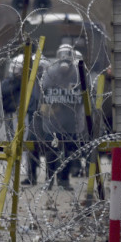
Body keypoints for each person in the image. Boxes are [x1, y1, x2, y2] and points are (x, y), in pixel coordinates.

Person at [38, 44, 87, 191]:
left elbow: (87, 93)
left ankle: (64, 180)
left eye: (68, 54)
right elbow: (43, 91)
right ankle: (49, 179)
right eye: (62, 54)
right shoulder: (50, 72)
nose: (65, 57)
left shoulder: (79, 73)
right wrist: (46, 106)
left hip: (71, 121)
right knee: (51, 151)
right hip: (53, 119)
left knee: (68, 151)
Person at [1, 54, 46, 185]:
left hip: (29, 116)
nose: (16, 71)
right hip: (12, 115)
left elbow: (36, 99)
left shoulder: (34, 82)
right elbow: (3, 92)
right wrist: (17, 81)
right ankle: (16, 170)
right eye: (16, 69)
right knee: (12, 143)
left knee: (30, 145)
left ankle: (32, 175)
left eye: (19, 69)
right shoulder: (11, 82)